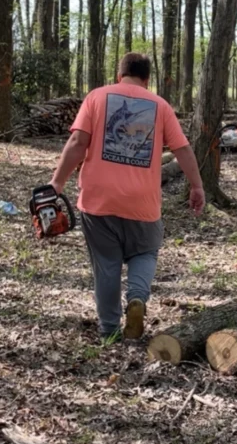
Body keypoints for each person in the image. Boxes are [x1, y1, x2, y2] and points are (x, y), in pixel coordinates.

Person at [50, 52, 205, 342]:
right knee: (145, 252)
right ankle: (136, 297)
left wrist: (56, 183)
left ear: (119, 75)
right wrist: (197, 186)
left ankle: (109, 330)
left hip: (98, 202)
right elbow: (182, 149)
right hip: (143, 203)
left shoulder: (96, 97)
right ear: (147, 79)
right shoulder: (160, 105)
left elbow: (77, 142)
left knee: (106, 264)